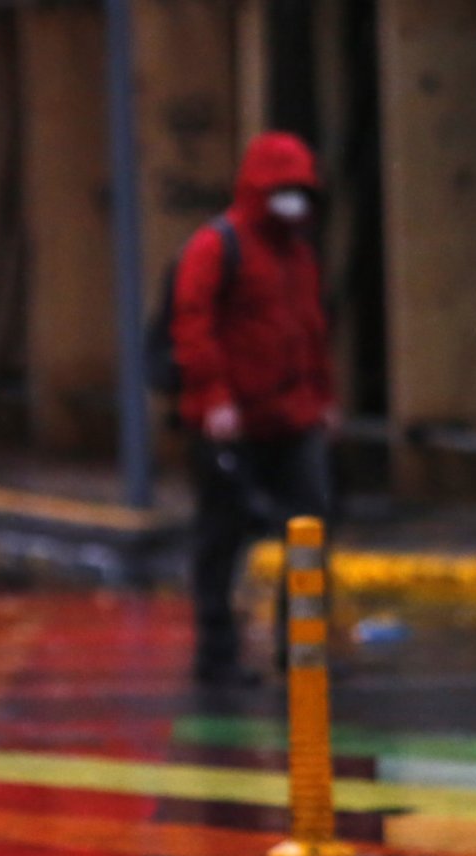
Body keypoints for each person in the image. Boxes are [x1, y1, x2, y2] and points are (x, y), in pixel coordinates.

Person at [170, 131, 338, 687]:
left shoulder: (299, 254)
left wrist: (323, 398)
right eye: (282, 189)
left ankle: (305, 646)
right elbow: (192, 325)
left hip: (293, 417)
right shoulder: (218, 245)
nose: (292, 200)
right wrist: (215, 399)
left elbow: (311, 330)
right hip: (231, 424)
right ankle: (216, 653)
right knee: (222, 536)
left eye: (300, 190)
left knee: (310, 529)